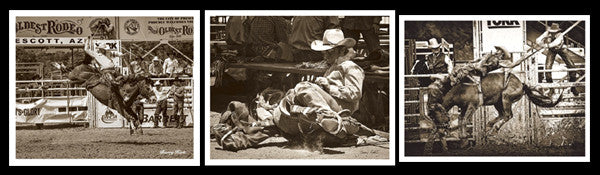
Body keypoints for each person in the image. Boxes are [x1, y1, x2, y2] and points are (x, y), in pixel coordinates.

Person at [535, 23, 580, 95]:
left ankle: (573, 87)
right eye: (552, 31)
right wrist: (542, 44)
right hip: (551, 50)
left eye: (554, 32)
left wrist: (546, 45)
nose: (553, 33)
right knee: (547, 68)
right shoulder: (547, 33)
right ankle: (551, 89)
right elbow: (537, 40)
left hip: (561, 49)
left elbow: (555, 43)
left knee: (572, 66)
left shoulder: (560, 35)